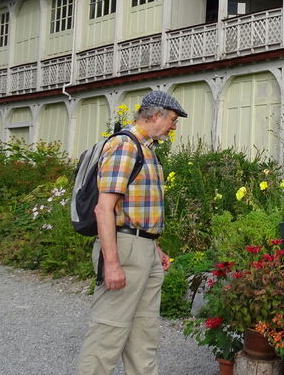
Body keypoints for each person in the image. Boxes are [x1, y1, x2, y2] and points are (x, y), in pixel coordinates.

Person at [76, 89, 187, 375]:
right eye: (173, 119)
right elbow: (104, 209)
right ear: (155, 115)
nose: (174, 126)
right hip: (123, 248)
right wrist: (111, 263)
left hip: (144, 249)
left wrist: (154, 247)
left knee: (144, 334)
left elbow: (137, 208)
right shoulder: (125, 146)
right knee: (108, 333)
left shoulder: (146, 148)